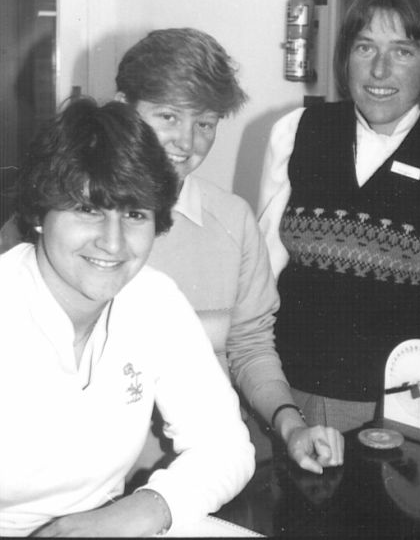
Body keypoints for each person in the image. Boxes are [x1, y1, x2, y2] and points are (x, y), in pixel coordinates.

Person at [0, 98, 255, 537]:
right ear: (41, 214)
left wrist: (146, 509)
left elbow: (225, 445)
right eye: (88, 209)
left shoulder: (152, 299)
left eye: (135, 214)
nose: (114, 244)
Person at [115, 27, 344, 475]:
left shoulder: (233, 220)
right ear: (125, 108)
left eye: (204, 123)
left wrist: (291, 424)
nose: (187, 141)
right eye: (167, 116)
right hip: (99, 475)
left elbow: (250, 346)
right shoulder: (74, 220)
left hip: (210, 465)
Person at [257, 0, 420, 433]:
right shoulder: (297, 131)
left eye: (403, 52)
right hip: (288, 386)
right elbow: (263, 270)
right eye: (365, 47)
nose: (379, 71)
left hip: (401, 399)